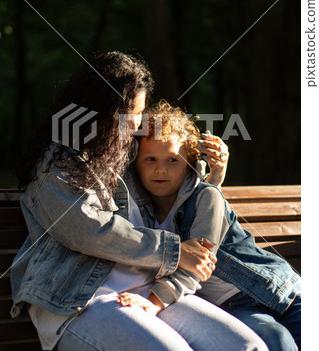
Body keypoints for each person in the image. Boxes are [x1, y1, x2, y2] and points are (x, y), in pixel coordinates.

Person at [10, 52, 267, 351]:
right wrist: (173, 252)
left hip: (149, 288)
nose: (134, 125)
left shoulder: (122, 154)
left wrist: (212, 170)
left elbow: (172, 161)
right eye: (130, 113)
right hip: (79, 299)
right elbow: (88, 230)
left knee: (247, 345)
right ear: (101, 109)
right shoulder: (56, 165)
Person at [124, 100, 301, 351]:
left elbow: (199, 262)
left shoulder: (206, 197)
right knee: (276, 341)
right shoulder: (140, 216)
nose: (160, 169)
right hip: (236, 305)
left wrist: (155, 302)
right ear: (135, 163)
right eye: (150, 159)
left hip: (282, 287)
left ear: (189, 165)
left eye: (173, 160)